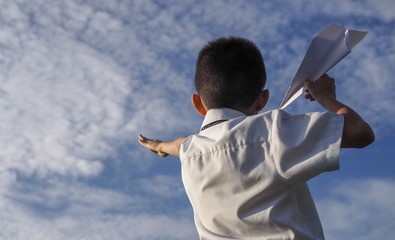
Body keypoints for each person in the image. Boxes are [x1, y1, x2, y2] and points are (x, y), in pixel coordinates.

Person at [138, 36, 374, 239]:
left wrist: (157, 145)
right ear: (262, 100)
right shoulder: (273, 132)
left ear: (198, 103)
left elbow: (177, 145)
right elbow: (360, 132)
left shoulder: (191, 151)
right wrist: (326, 97)